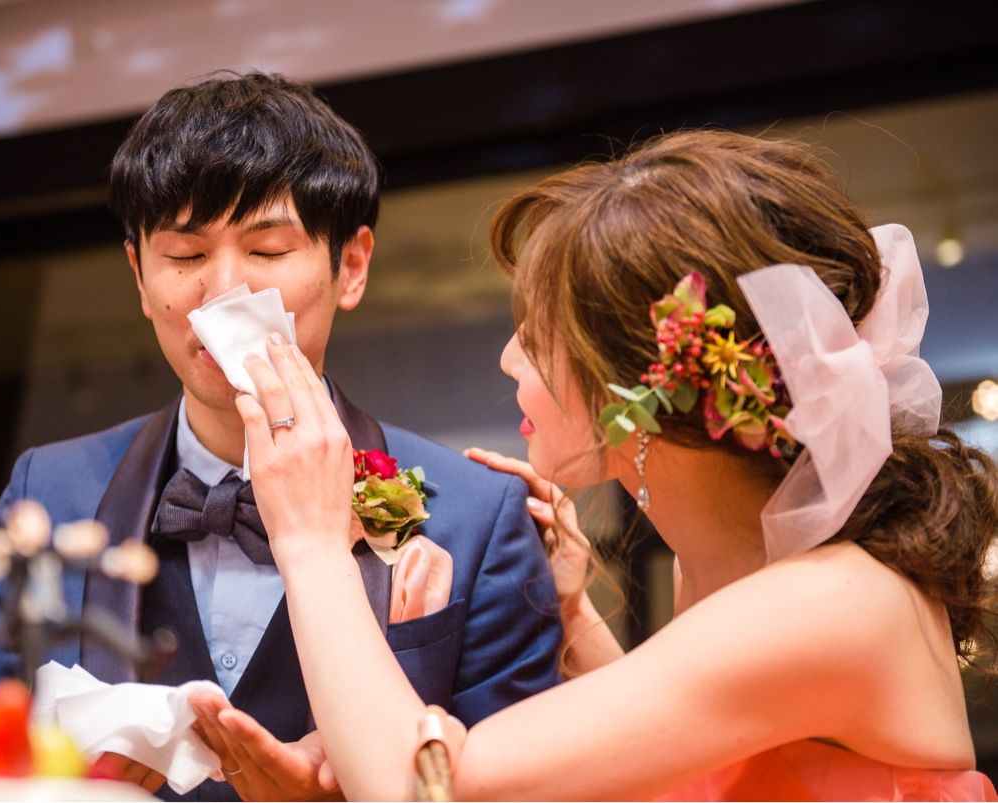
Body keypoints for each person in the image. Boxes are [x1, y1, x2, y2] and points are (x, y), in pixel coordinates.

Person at [199, 129, 998, 800]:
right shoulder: (748, 569)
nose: (511, 358)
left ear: (639, 386)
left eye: (540, 333)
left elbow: (425, 790)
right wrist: (576, 619)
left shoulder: (827, 604)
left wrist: (308, 540)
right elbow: (700, 764)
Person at [0, 72, 562, 801]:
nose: (222, 295)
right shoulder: (48, 491)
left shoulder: (479, 516)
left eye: (267, 251)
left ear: (350, 266)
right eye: (185, 256)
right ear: (139, 276)